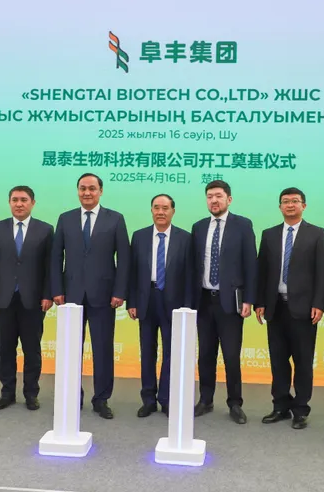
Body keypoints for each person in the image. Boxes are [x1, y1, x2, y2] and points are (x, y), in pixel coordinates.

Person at [52, 173, 130, 419]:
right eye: (83, 188)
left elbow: (124, 259)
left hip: (104, 296)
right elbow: (56, 257)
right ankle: (72, 396)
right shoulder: (65, 219)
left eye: (92, 188)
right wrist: (57, 290)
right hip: (71, 295)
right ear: (77, 191)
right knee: (71, 349)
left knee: (103, 349)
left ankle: (101, 399)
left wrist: (120, 291)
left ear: (101, 191)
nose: (87, 192)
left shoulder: (115, 219)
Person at [255, 187, 324, 430]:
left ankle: (301, 409)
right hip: (275, 307)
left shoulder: (316, 233)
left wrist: (319, 303)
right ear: (280, 206)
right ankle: (280, 406)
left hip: (304, 309)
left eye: (295, 201)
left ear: (303, 206)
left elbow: (323, 272)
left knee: (303, 361)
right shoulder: (269, 234)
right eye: (285, 201)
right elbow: (262, 270)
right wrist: (260, 302)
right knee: (278, 361)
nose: (290, 205)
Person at [0, 186, 53, 411]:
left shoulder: (45, 230)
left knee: (32, 350)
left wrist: (47, 294)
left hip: (33, 300)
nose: (19, 204)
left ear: (33, 203)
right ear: (9, 202)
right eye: (15, 200)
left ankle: (31, 394)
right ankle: (7, 393)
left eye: (23, 200)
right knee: (6, 349)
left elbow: (50, 266)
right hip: (3, 299)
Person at [192, 180, 257, 424]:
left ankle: (235, 403)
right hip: (204, 301)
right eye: (209, 196)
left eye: (218, 196)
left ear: (229, 199)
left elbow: (251, 264)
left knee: (231, 355)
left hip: (230, 303)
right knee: (205, 354)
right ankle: (205, 399)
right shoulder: (199, 227)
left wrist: (249, 299)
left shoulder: (243, 225)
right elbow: (194, 266)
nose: (214, 200)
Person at [127, 194, 193, 417]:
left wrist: (187, 306)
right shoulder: (139, 236)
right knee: (147, 351)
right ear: (151, 210)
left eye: (165, 208)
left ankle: (166, 398)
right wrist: (132, 302)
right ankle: (148, 399)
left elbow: (190, 275)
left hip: (174, 302)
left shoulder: (185, 238)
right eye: (156, 207)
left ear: (173, 211)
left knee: (170, 352)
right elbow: (132, 272)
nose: (160, 212)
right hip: (146, 299)